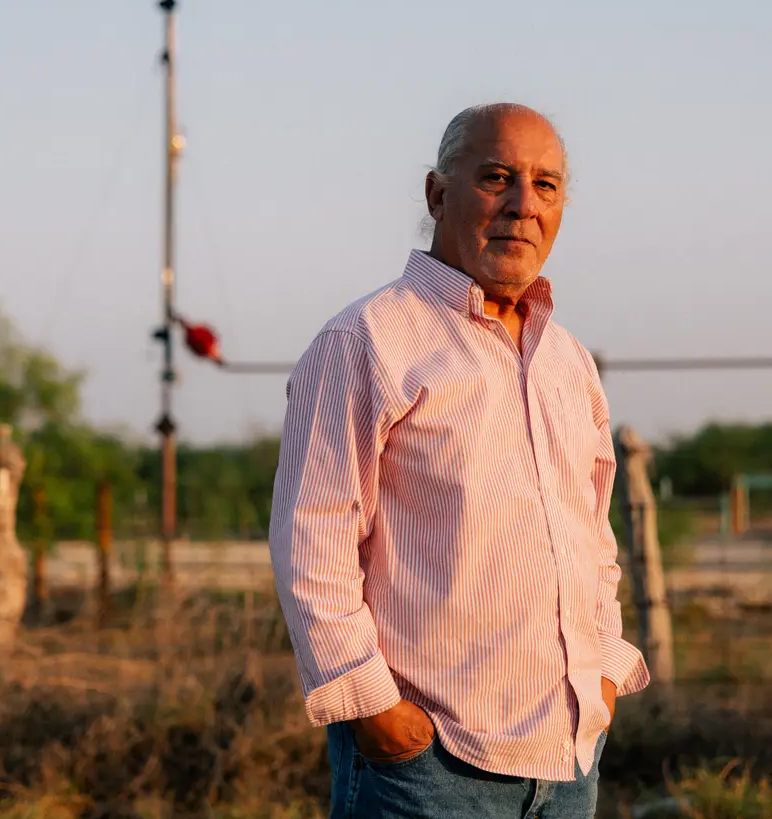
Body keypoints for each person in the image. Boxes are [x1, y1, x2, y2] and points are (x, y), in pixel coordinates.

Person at [269, 103, 650, 819]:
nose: (522, 205)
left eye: (545, 185)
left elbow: (593, 539)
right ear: (437, 195)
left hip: (570, 759)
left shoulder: (568, 362)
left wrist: (603, 668)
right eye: (496, 177)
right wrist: (374, 708)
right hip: (430, 766)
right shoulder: (367, 340)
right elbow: (311, 538)